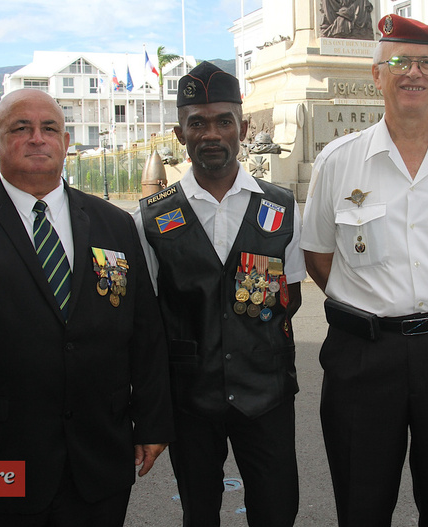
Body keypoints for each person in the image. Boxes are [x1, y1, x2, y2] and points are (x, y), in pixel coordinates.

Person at [0, 89, 175, 526]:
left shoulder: (114, 224)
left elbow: (145, 332)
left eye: (49, 129)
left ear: (66, 142)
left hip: (95, 464)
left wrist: (154, 422)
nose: (37, 138)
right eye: (20, 128)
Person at [301, 14, 428, 527]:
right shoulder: (339, 162)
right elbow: (319, 256)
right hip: (364, 356)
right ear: (377, 75)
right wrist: (370, 299)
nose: (414, 73)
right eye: (400, 62)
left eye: (427, 63)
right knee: (362, 506)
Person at [134, 61, 305, 527]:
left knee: (275, 510)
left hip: (265, 393)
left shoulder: (281, 207)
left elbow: (290, 296)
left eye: (223, 121)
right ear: (179, 133)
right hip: (190, 399)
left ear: (243, 128)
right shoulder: (149, 219)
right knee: (199, 513)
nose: (211, 133)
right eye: (198, 122)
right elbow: (146, 321)